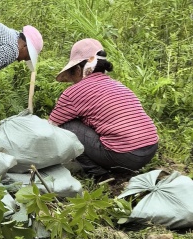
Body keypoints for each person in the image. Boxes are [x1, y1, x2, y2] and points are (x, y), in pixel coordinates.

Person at [49, 39, 158, 176]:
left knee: (67, 126)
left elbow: (51, 127)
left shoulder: (74, 92)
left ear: (77, 70)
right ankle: (115, 168)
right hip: (150, 149)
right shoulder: (118, 85)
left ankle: (98, 174)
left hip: (125, 156)